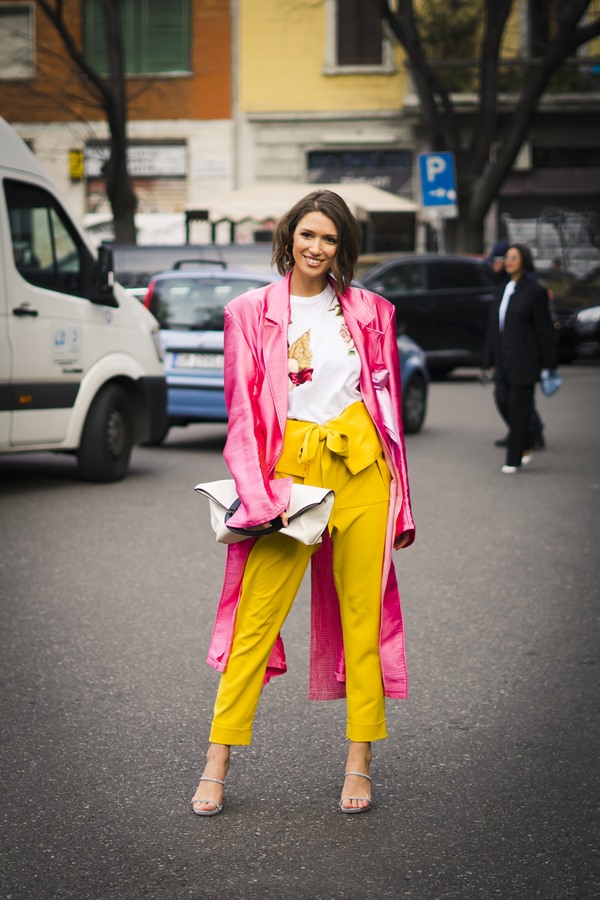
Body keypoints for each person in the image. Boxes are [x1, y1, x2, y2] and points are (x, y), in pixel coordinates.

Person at [191, 190, 415, 817]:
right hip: (288, 477)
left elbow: (389, 408)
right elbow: (240, 417)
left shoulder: (371, 312)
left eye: (330, 239)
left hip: (362, 468)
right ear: (289, 236)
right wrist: (259, 499)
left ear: (343, 247)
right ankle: (218, 758)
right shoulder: (247, 313)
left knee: (362, 618)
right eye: (307, 235)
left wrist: (401, 497)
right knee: (255, 621)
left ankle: (360, 757)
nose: (316, 248)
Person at [482, 243, 557, 474]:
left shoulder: (534, 291)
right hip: (503, 361)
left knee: (518, 407)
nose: (509, 261)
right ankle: (528, 437)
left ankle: (513, 459)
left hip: (525, 361)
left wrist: (549, 364)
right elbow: (494, 328)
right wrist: (487, 361)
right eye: (507, 257)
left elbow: (544, 330)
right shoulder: (502, 288)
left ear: (524, 260)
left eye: (514, 257)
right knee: (502, 400)